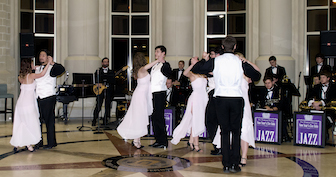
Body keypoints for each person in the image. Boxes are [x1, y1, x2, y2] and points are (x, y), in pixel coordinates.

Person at [117, 53, 159, 149]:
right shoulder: (141, 69)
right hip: (140, 96)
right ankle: (136, 140)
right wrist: (157, 60)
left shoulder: (138, 70)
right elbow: (147, 66)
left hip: (141, 95)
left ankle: (137, 140)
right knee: (139, 118)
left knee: (139, 117)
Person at [10, 58, 52, 152]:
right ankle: (28, 145)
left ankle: (17, 144)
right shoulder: (31, 75)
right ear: (29, 66)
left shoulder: (20, 77)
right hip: (28, 104)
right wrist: (48, 63)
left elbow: (37, 69)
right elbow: (42, 74)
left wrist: (39, 66)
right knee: (30, 123)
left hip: (20, 103)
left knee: (21, 123)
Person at [171, 57, 208, 152]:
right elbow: (184, 73)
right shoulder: (191, 73)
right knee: (196, 120)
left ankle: (191, 141)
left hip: (203, 98)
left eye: (195, 59)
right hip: (195, 99)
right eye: (192, 60)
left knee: (195, 121)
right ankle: (196, 145)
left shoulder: (203, 74)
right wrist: (192, 65)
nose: (194, 59)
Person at [34, 49, 65, 149]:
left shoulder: (52, 68)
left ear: (48, 57)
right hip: (38, 97)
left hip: (48, 97)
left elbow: (62, 69)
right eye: (40, 55)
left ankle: (51, 142)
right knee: (38, 121)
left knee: (49, 121)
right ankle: (39, 141)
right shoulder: (38, 68)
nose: (41, 57)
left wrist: (52, 62)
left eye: (43, 55)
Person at [148, 45, 172, 148]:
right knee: (154, 117)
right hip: (153, 93)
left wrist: (169, 81)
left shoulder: (165, 65)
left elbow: (170, 74)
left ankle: (163, 141)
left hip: (160, 93)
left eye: (157, 51)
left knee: (159, 117)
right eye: (155, 52)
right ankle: (158, 140)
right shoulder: (155, 65)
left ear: (163, 53)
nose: (155, 54)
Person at [307, 72, 336, 139]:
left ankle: (323, 137)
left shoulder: (334, 87)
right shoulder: (317, 87)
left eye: (323, 77)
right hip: (317, 109)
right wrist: (313, 103)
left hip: (329, 111)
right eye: (321, 78)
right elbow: (309, 97)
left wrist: (321, 103)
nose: (321, 79)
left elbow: (332, 99)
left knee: (325, 120)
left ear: (328, 78)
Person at [204, 46, 222, 155]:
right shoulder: (210, 64)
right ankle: (216, 144)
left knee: (212, 120)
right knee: (211, 121)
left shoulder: (220, 65)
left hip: (217, 93)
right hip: (211, 93)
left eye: (213, 54)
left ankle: (219, 145)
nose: (212, 56)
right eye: (211, 54)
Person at [92, 57, 115, 126]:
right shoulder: (98, 71)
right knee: (98, 105)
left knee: (107, 106)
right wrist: (98, 83)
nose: (106, 63)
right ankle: (94, 119)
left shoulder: (111, 72)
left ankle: (106, 120)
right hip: (100, 90)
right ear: (102, 63)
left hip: (108, 91)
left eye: (107, 62)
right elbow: (95, 80)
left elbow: (113, 82)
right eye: (104, 62)